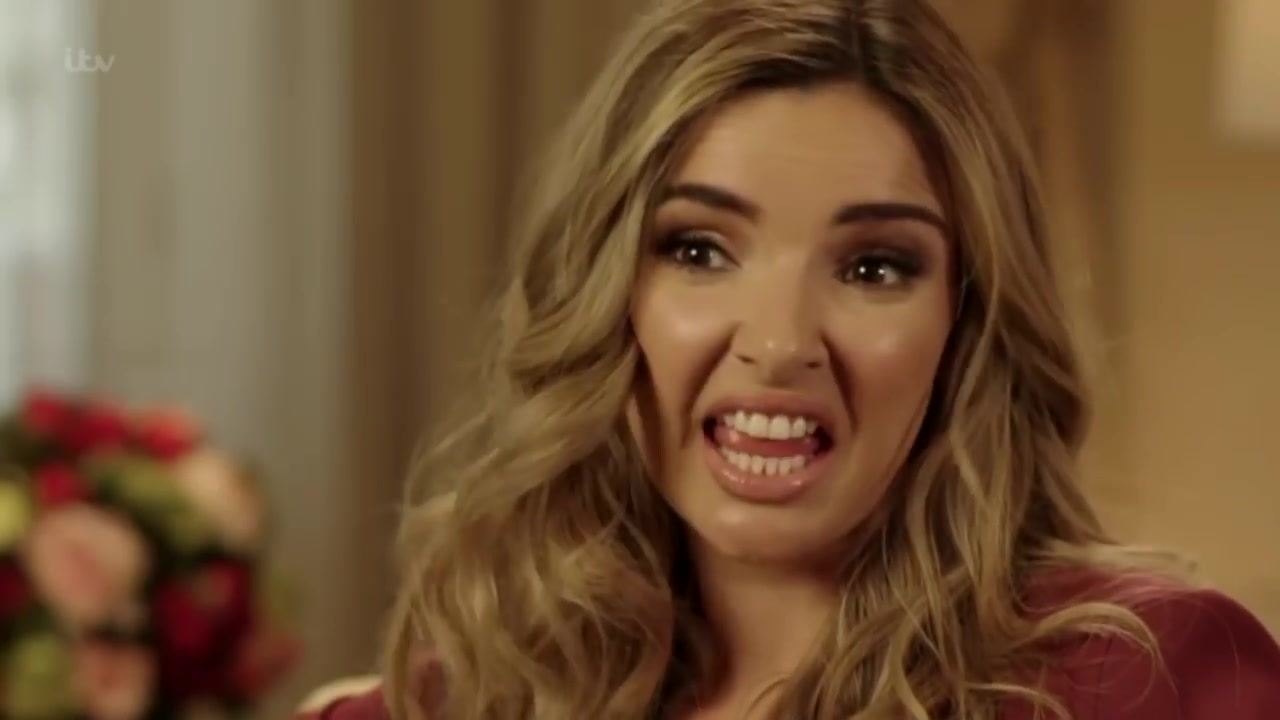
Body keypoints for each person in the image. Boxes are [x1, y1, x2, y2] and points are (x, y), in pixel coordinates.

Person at [299, 0, 1280, 718]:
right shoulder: (463, 699)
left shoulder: (1149, 680)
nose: (777, 345)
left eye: (872, 267)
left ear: (966, 322)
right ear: (605, 293)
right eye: (698, 251)